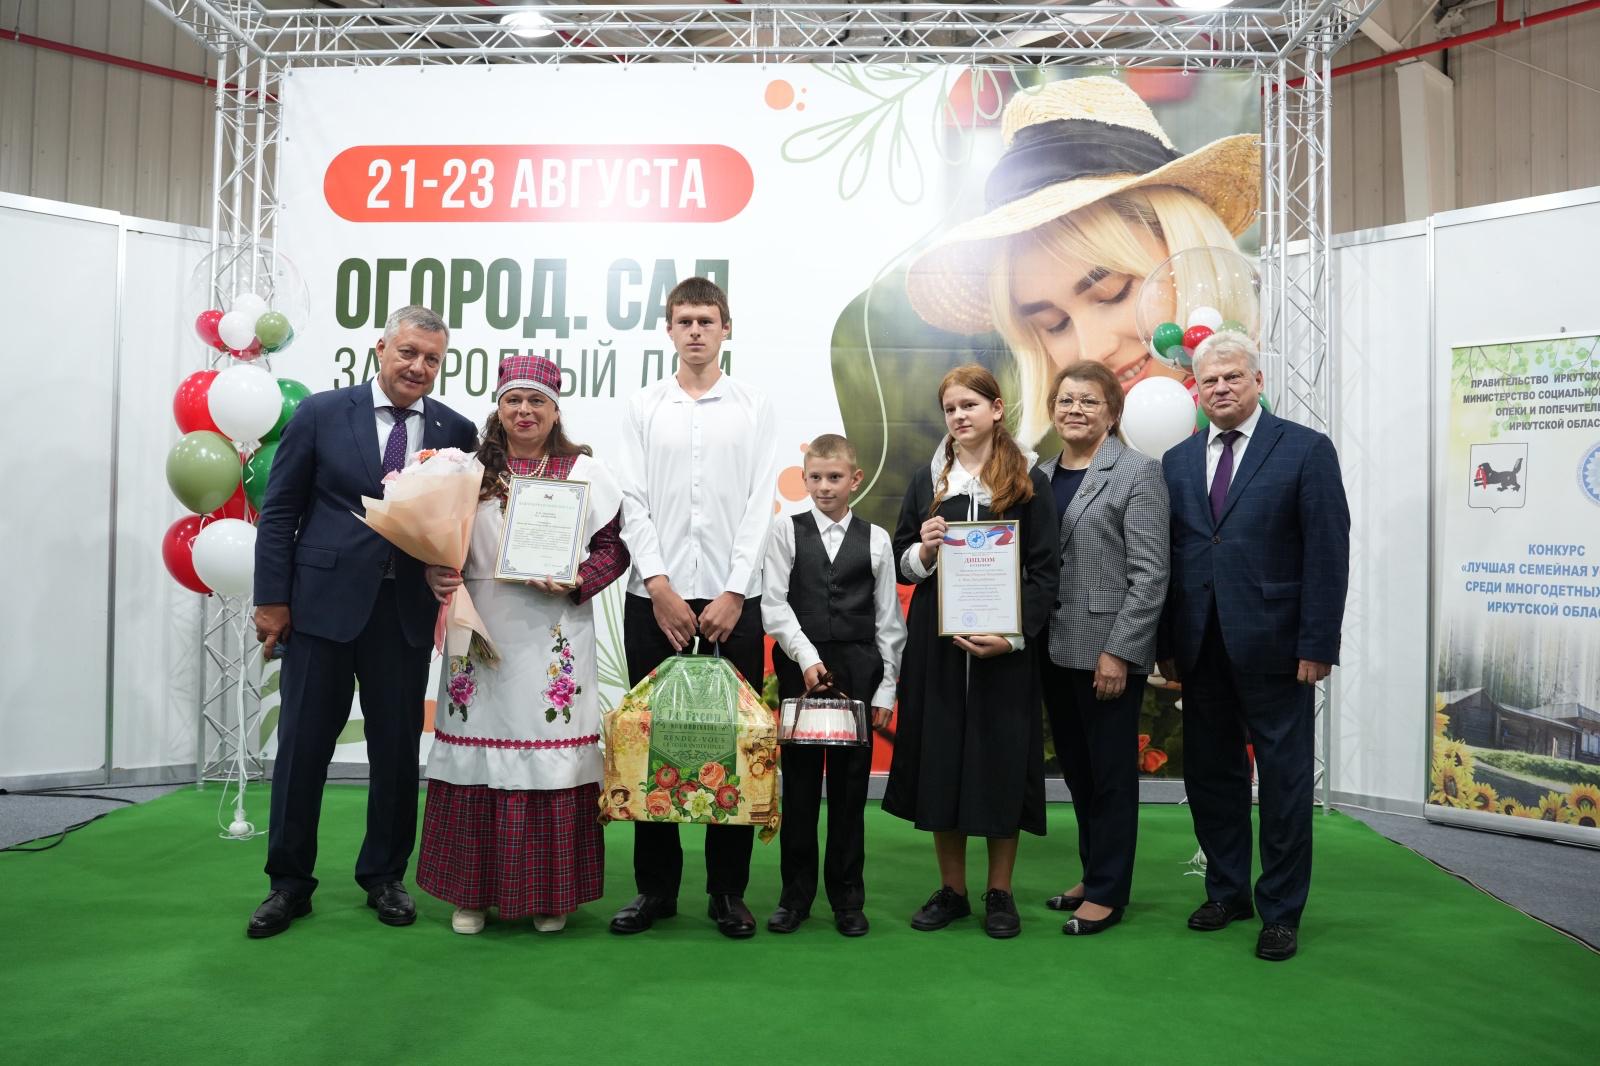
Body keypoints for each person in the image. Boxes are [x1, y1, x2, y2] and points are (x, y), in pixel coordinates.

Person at [248, 305, 478, 939]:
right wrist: (272, 600)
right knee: (302, 750)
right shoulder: (321, 413)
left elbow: (458, 527)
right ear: (380, 349)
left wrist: (445, 571)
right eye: (408, 352)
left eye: (432, 359)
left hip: (403, 617)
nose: (418, 367)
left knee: (398, 755)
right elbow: (280, 511)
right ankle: (288, 883)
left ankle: (384, 876)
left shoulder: (455, 431)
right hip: (320, 611)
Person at [905, 75, 1260, 447]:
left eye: (1113, 294)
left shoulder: (1290, 387)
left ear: (1183, 247)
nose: (1093, 350)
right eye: (1054, 324)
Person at [414, 355, 629, 935]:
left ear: (555, 410)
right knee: (473, 754)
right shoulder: (466, 471)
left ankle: (550, 896)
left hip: (553, 629)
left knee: (551, 756)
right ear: (499, 407)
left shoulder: (585, 471)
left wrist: (579, 579)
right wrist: (437, 572)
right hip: (480, 625)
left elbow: (613, 549)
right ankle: (471, 894)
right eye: (514, 400)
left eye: (537, 401)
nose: (525, 411)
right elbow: (438, 544)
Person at [1156, 335, 1349, 962]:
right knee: (1212, 778)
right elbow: (1170, 559)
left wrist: (1318, 642)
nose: (1220, 388)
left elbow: (1327, 552)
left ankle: (1281, 910)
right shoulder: (1178, 460)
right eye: (1209, 380)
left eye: (1233, 376)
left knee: (1285, 784)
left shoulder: (1305, 449)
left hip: (1279, 649)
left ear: (1258, 381)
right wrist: (1166, 644)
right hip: (1199, 647)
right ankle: (1226, 891)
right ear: (1196, 388)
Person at [610, 276, 778, 939]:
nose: (696, 331)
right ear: (669, 329)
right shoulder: (642, 406)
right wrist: (658, 585)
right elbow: (632, 500)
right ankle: (655, 890)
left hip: (736, 601)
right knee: (655, 743)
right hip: (655, 599)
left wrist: (735, 590)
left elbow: (760, 503)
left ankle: (727, 893)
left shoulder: (755, 405)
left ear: (726, 328)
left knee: (730, 745)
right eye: (685, 320)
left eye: (707, 320)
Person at [883, 365, 1059, 939]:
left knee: (1001, 763)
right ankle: (953, 891)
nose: (959, 416)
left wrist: (1012, 636)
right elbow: (902, 562)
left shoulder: (1029, 479)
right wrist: (925, 551)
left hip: (1005, 651)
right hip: (938, 649)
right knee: (943, 763)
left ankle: (999, 892)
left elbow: (1045, 572)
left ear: (996, 409)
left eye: (969, 405)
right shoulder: (928, 479)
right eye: (950, 408)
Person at [1034, 361, 1169, 936]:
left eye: (1089, 401)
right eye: (1065, 400)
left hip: (1107, 652)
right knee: (1079, 773)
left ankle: (1110, 893)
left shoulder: (1138, 472)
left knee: (1111, 776)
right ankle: (1093, 874)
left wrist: (1120, 651)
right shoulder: (1039, 476)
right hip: (1050, 647)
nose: (1075, 410)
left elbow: (1150, 572)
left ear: (1112, 412)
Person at [762, 433, 907, 938]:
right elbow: (774, 605)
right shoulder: (785, 529)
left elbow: (889, 622)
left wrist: (886, 689)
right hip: (801, 673)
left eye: (835, 477)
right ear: (804, 480)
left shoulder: (877, 539)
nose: (825, 487)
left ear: (855, 479)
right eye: (816, 478)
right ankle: (794, 898)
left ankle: (847, 898)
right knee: (800, 791)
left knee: (849, 793)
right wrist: (807, 658)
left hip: (858, 674)